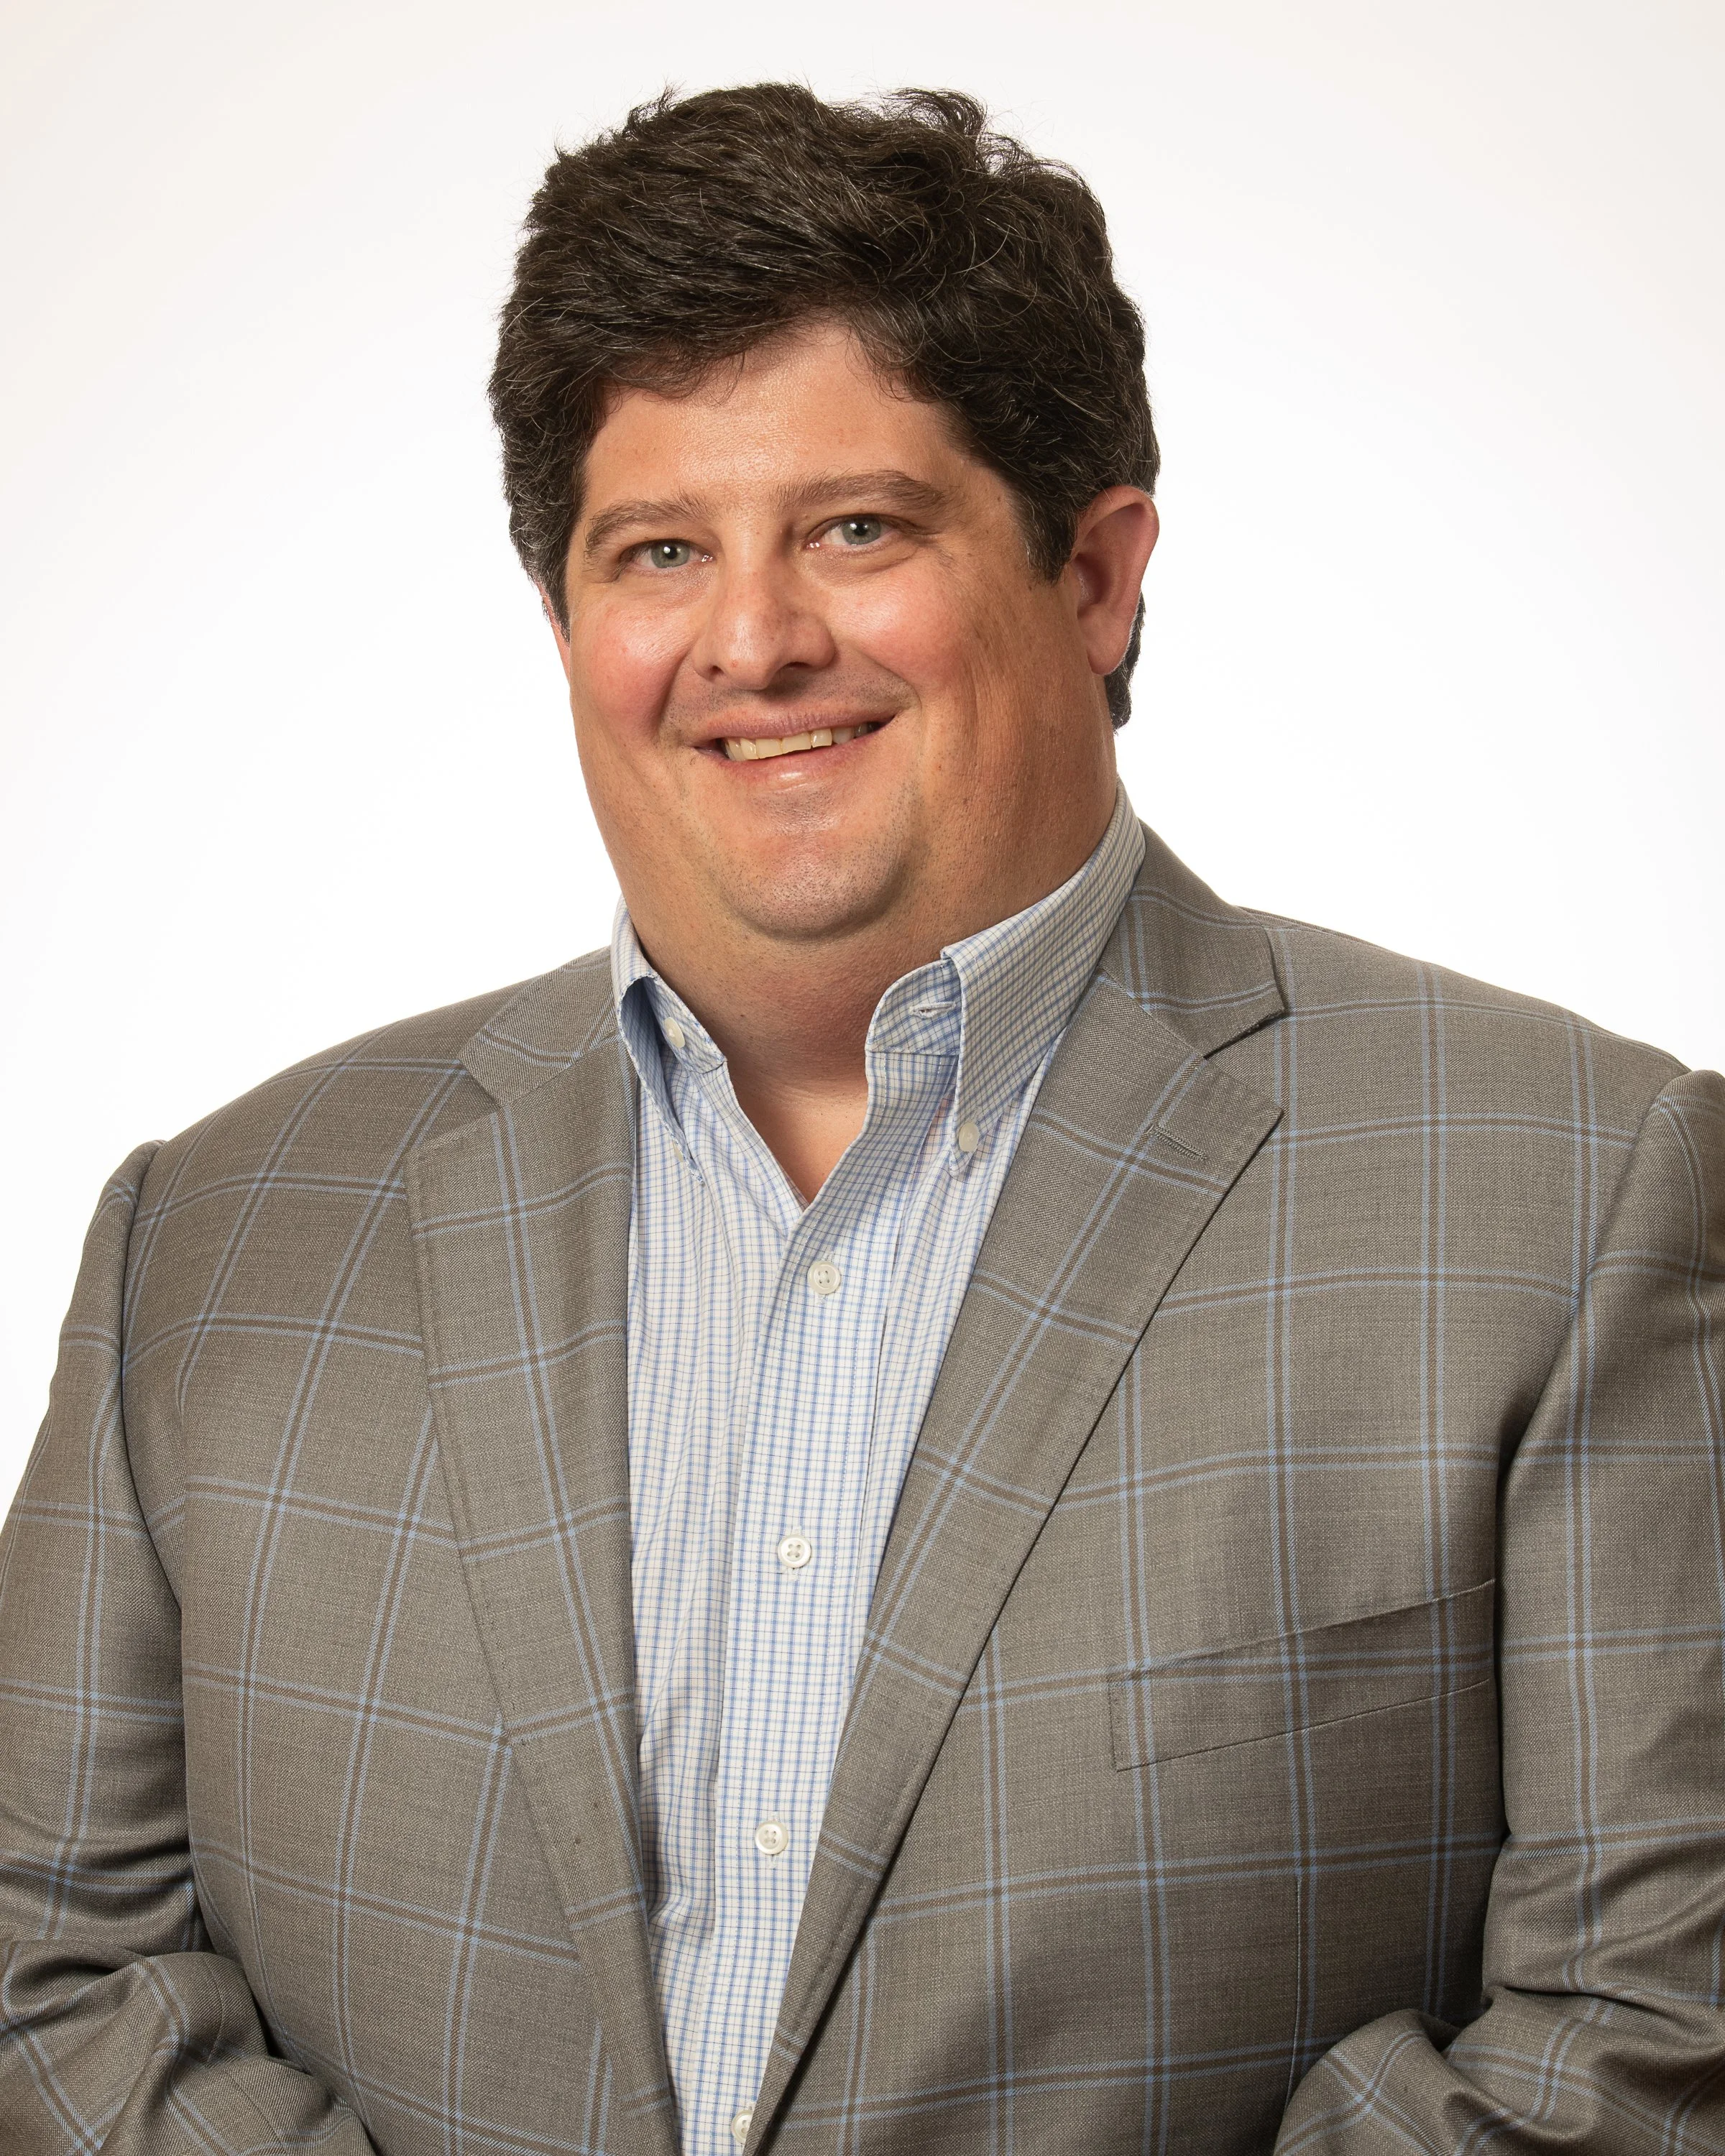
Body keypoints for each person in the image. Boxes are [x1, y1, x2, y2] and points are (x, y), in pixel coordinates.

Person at [0, 81, 1720, 2156]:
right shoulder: (214, 1237)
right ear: (567, 619)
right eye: (658, 551)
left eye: (856, 529)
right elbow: (53, 1961)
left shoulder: (1574, 1195)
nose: (753, 641)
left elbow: (1645, 2036)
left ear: (1095, 573)